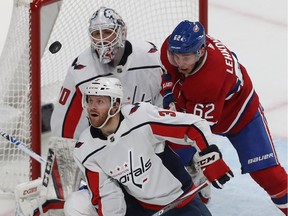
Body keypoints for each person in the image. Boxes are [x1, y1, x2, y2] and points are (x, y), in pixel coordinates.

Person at [160, 20, 288, 215]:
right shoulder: (172, 47)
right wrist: (169, 94)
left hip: (241, 117)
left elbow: (197, 128)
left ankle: (196, 172)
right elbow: (168, 73)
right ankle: (195, 182)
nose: (179, 62)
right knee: (168, 159)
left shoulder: (209, 80)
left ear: (200, 51)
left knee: (268, 175)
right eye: (175, 55)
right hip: (202, 105)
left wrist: (208, 158)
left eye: (185, 57)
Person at [63, 77, 233, 216]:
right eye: (90, 101)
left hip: (179, 202)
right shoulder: (86, 148)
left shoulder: (141, 118)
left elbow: (192, 125)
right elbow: (104, 193)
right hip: (136, 206)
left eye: (100, 101)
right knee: (76, 204)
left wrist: (210, 158)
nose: (92, 107)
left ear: (115, 105)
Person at [50, 6, 163, 140]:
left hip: (149, 142)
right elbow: (65, 123)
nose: (102, 40)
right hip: (105, 146)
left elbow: (165, 100)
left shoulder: (150, 57)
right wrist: (65, 151)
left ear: (122, 32)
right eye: (97, 34)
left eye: (107, 32)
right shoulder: (82, 70)